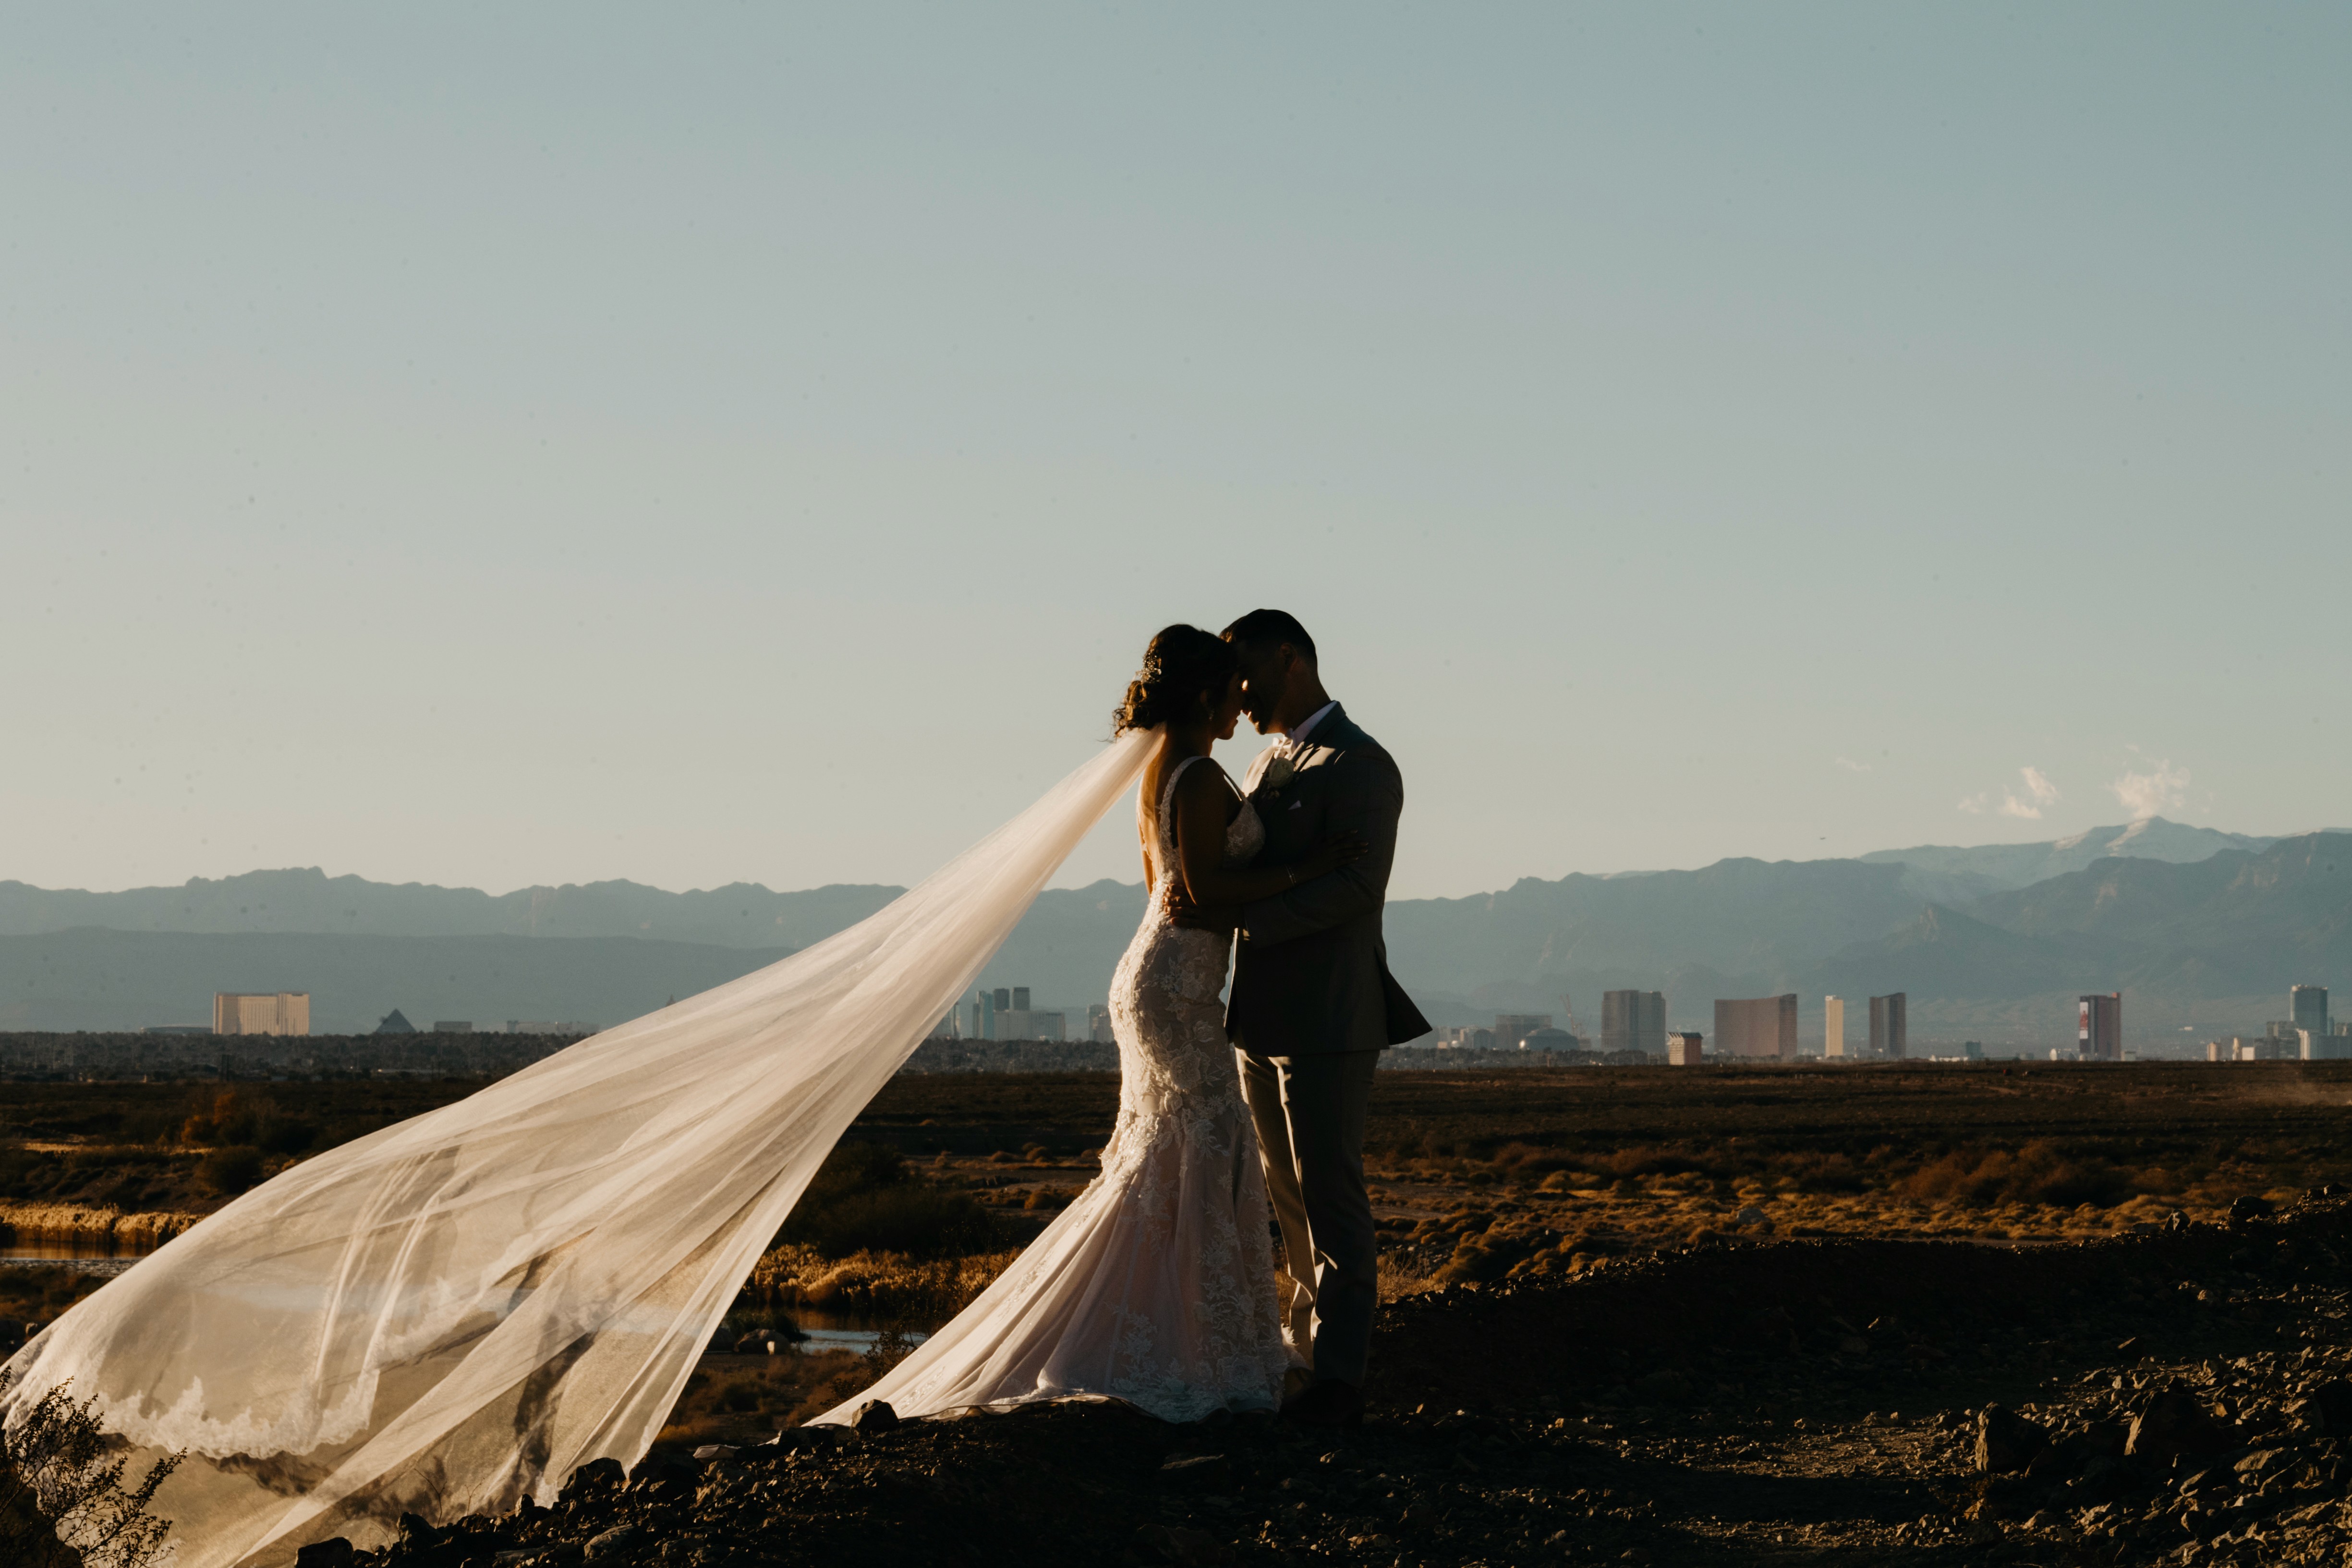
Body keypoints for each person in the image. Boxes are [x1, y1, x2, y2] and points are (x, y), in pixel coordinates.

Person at [817, 624, 1364, 1422]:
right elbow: (1204, 894)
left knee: (1172, 1157)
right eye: (1232, 691)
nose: (1242, 702)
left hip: (1151, 972)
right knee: (1211, 1144)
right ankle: (1203, 1347)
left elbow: (1172, 887)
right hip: (1174, 986)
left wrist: (1208, 896)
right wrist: (1314, 866)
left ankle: (1175, 1333)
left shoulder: (1158, 774)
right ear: (1206, 695)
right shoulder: (1204, 777)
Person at [1173, 609, 1428, 1428]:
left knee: (1331, 1194)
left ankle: (1340, 1380)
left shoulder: (1362, 764)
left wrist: (1246, 920)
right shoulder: (1266, 759)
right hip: (1261, 1017)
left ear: (1290, 659)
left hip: (1329, 1014)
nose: (1236, 696)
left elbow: (1359, 888)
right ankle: (1302, 1355)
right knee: (1285, 1195)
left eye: (1244, 674)